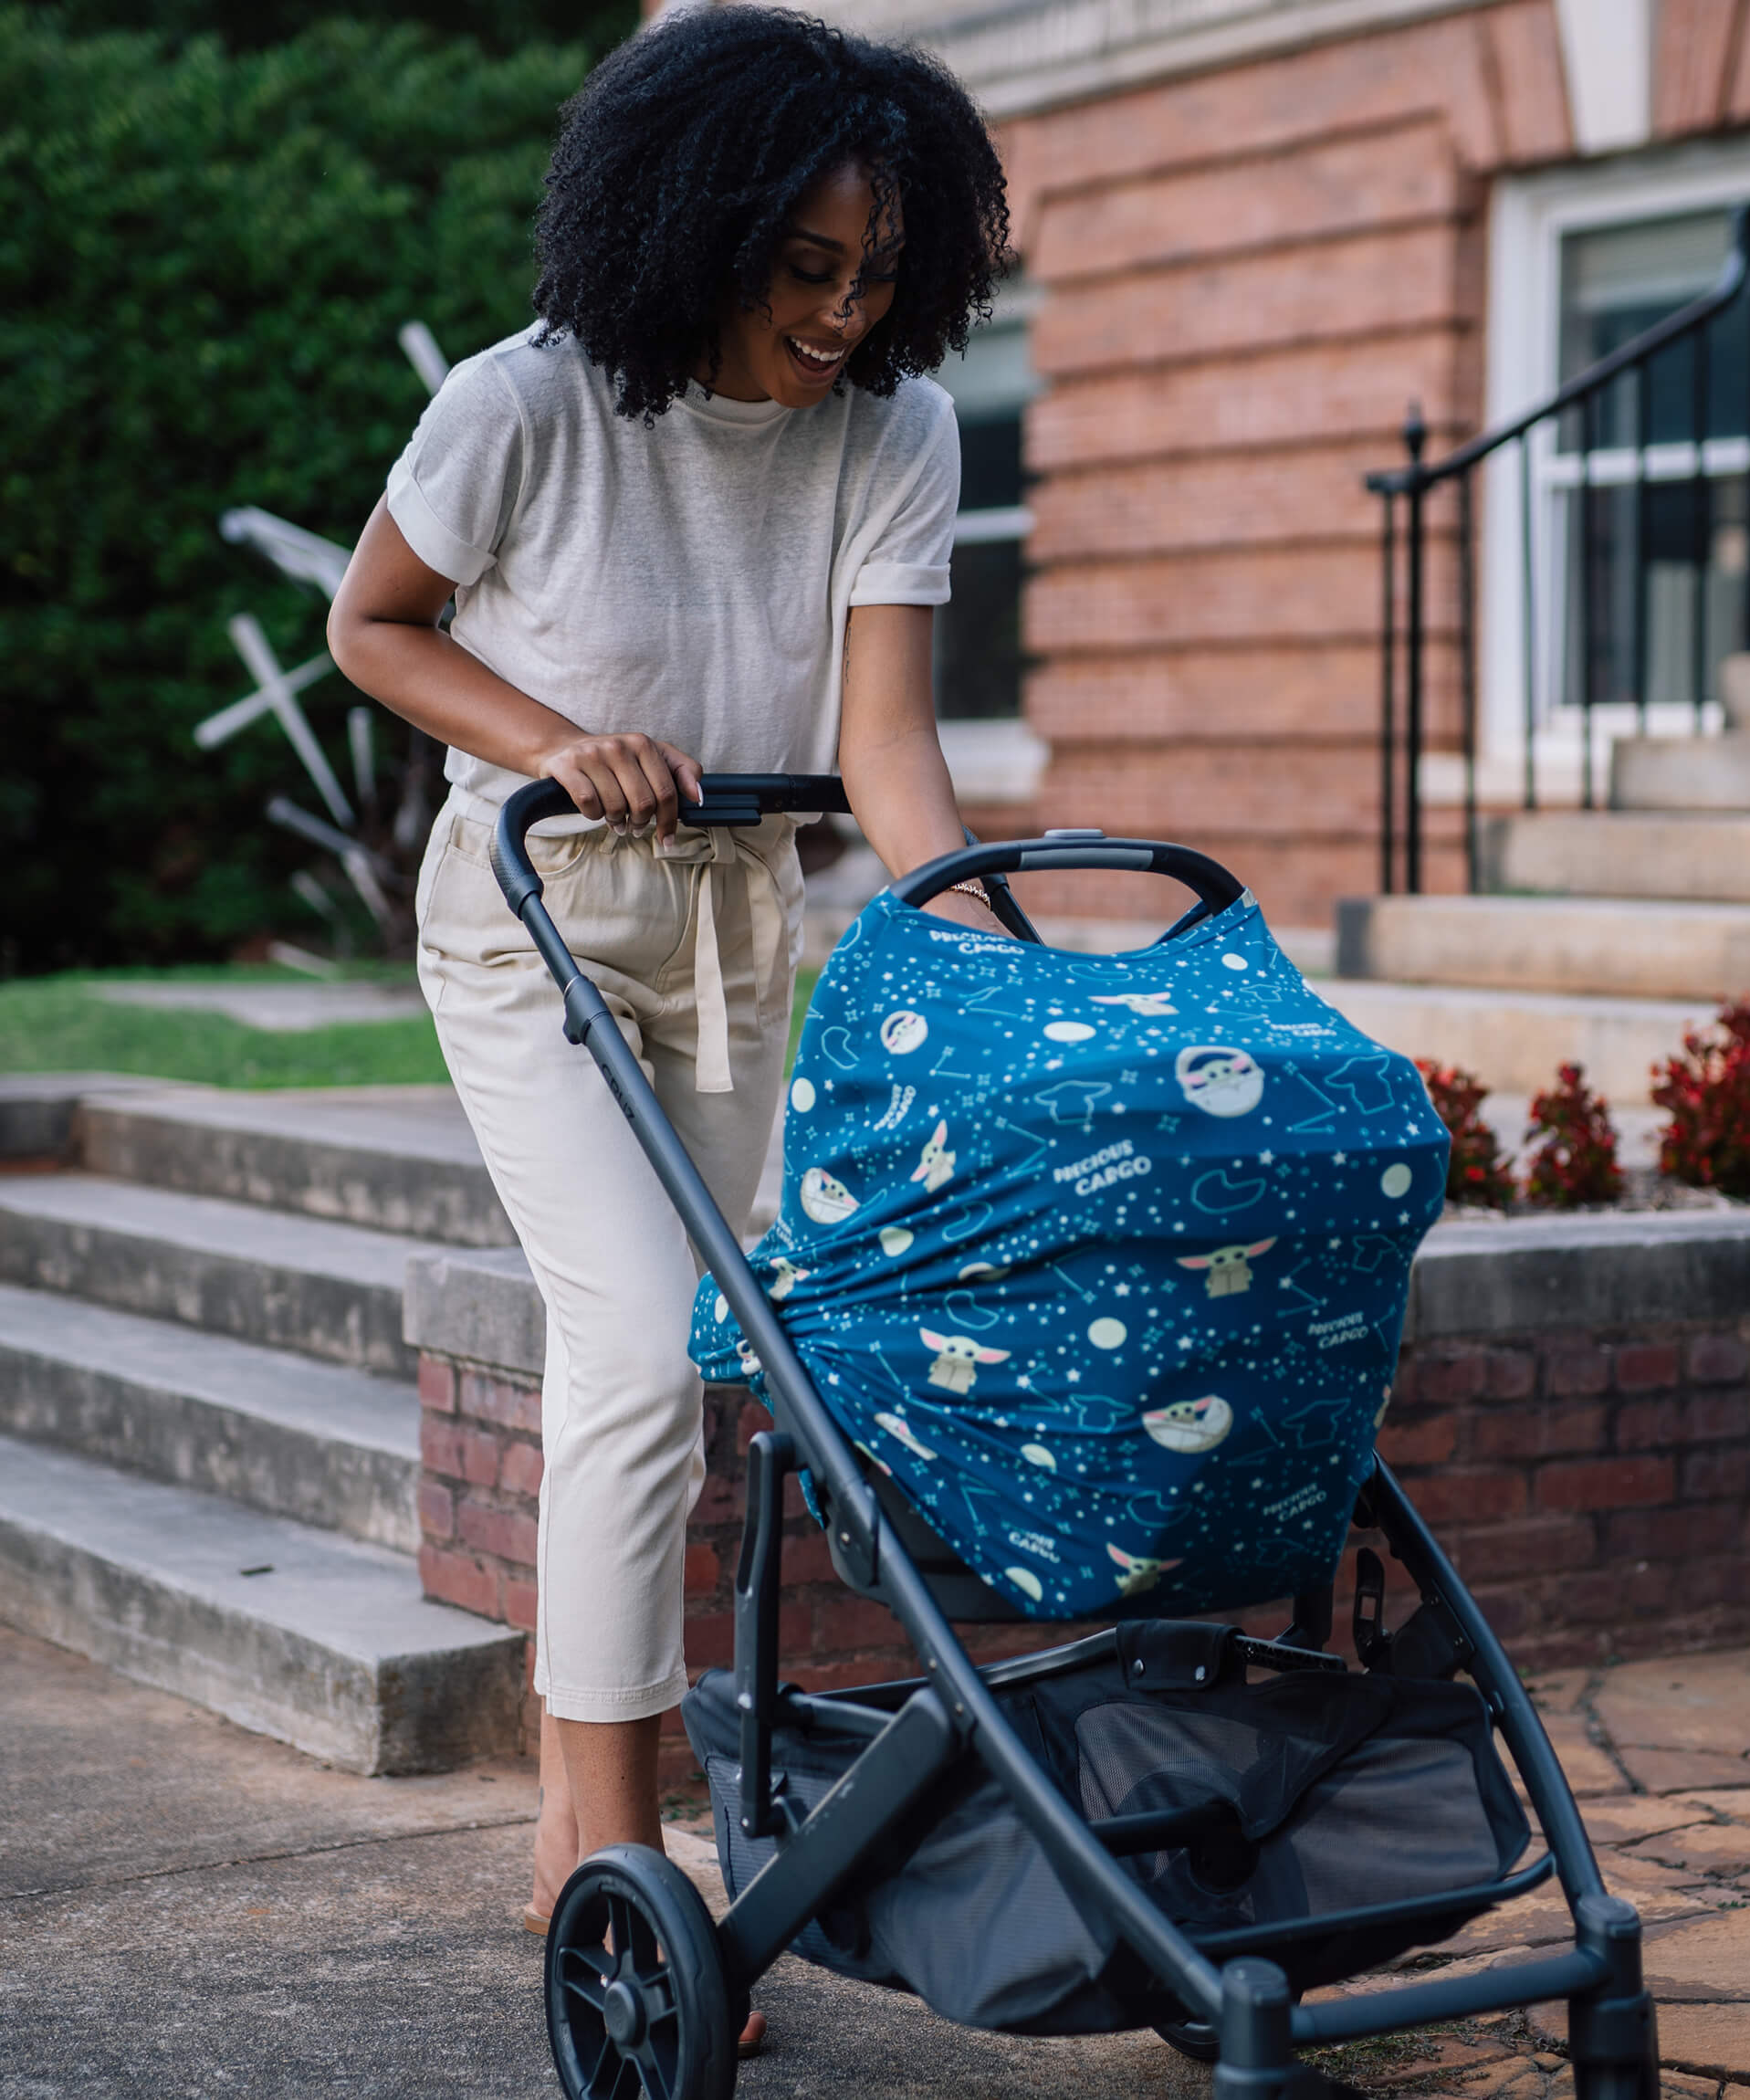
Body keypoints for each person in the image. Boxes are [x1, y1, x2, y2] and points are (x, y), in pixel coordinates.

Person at [327, 6, 1011, 2053]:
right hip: (534, 925)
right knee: (630, 1341)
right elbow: (375, 622)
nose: (841, 313)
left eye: (877, 274)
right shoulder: (524, 406)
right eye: (805, 268)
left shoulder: (894, 434)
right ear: (695, 225)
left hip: (735, 935)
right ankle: (612, 1869)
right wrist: (559, 745)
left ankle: (603, 1818)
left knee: (710, 1362)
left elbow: (885, 747)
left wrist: (987, 948)